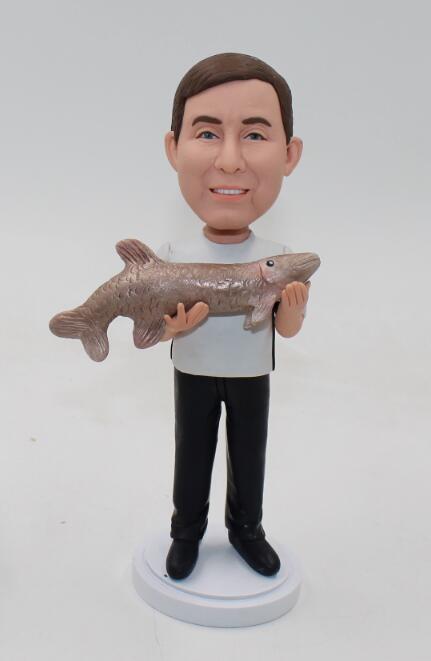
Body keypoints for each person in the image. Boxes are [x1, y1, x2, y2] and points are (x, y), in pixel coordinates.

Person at [157, 53, 310, 580]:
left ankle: (247, 528)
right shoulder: (173, 255)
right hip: (194, 369)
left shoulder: (277, 257)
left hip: (250, 374)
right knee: (191, 453)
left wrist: (292, 314)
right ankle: (185, 533)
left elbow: (283, 328)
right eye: (206, 134)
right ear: (173, 149)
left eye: (254, 135)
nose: (228, 160)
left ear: (289, 155)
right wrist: (173, 329)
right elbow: (159, 319)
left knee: (249, 454)